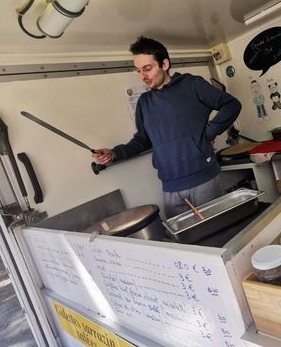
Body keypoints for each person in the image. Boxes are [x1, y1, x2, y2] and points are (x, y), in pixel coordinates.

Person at [92, 36, 242, 220]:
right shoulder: (144, 103)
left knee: (219, 231)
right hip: (170, 186)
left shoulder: (192, 85)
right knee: (188, 242)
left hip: (204, 178)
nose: (143, 76)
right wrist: (114, 153)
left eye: (147, 68)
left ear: (165, 64)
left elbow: (231, 105)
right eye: (138, 70)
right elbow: (142, 141)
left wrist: (209, 133)